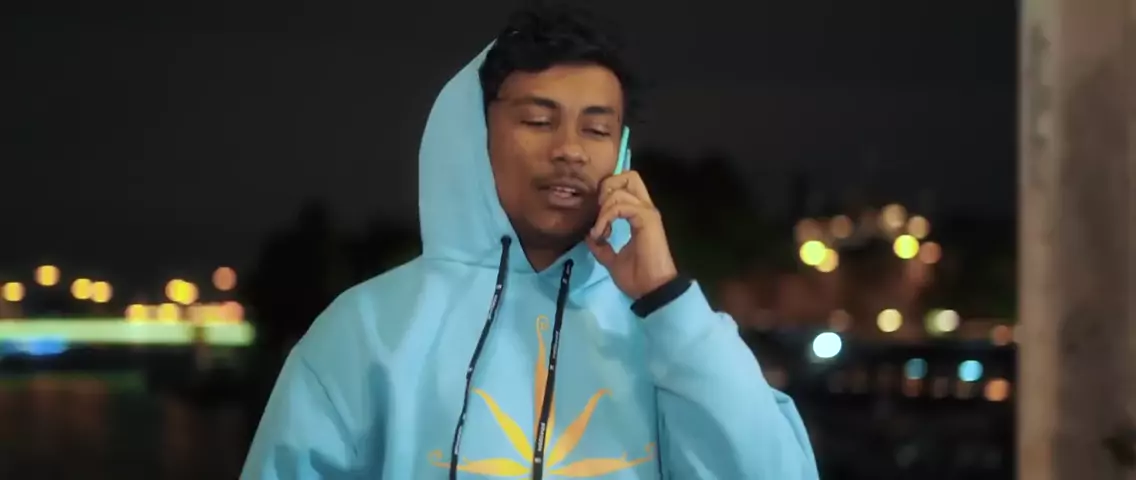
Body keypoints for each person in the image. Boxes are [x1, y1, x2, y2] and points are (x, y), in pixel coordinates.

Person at [242, 5, 818, 479]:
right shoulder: (367, 330)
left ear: (620, 153)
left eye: (596, 129)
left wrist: (666, 299)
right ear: (475, 133)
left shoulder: (673, 338)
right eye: (539, 121)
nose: (570, 150)